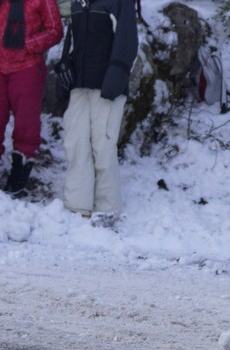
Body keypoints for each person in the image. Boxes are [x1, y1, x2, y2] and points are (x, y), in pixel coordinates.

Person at [0, 0, 63, 194]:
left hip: (26, 67)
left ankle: (19, 173)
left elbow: (54, 30)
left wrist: (28, 44)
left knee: (26, 123)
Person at [61, 0, 138, 221]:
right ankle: (78, 205)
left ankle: (107, 209)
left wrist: (117, 74)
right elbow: (73, 41)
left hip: (107, 84)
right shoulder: (79, 4)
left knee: (102, 145)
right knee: (75, 142)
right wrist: (65, 64)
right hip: (80, 84)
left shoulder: (118, 3)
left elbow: (127, 40)